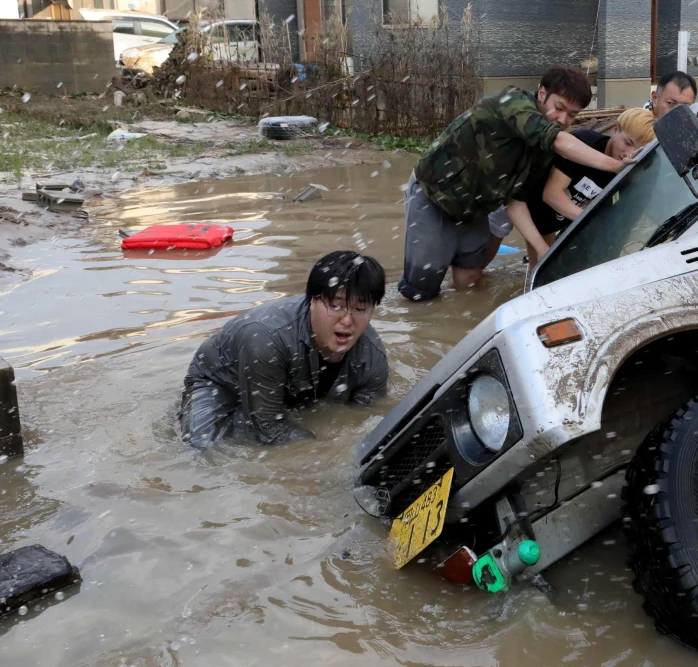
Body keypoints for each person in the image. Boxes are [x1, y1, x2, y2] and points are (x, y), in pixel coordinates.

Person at [398, 66, 635, 301]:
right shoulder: (512, 102)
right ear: (542, 93)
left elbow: (517, 201)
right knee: (420, 293)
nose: (563, 119)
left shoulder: (542, 151)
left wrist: (541, 250)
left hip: (477, 207)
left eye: (572, 115)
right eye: (560, 108)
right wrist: (614, 165)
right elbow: (555, 139)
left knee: (469, 281)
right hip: (433, 195)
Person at [179, 251, 388, 448]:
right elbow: (269, 427)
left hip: (292, 386)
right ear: (312, 301)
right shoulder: (266, 338)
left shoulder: (372, 356)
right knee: (201, 446)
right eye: (335, 306)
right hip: (222, 383)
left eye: (360, 309)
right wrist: (322, 449)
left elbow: (366, 417)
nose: (347, 320)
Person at [490, 108, 657, 259]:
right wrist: (593, 221)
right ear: (614, 130)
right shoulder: (584, 144)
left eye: (638, 149)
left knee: (541, 276)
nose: (629, 154)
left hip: (547, 220)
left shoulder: (633, 169)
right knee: (476, 265)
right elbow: (551, 194)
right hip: (516, 199)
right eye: (627, 143)